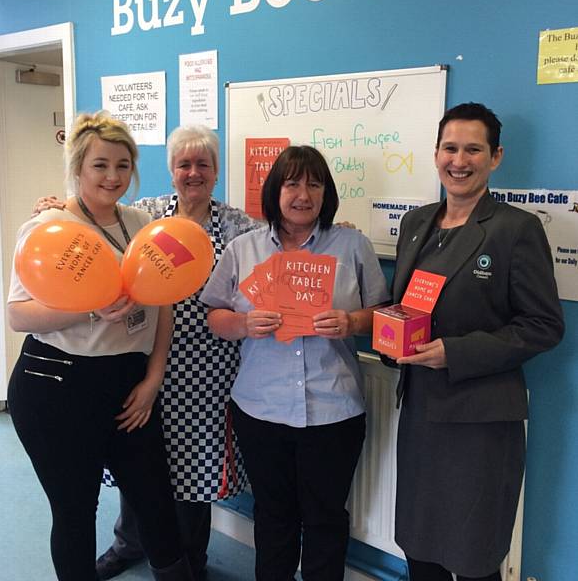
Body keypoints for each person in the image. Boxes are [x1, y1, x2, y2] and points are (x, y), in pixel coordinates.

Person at [35, 124, 259, 581]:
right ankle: (129, 543)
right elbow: (93, 222)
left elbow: (281, 239)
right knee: (136, 468)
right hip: (139, 363)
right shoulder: (148, 214)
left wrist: (335, 226)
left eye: (203, 164)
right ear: (171, 171)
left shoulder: (238, 226)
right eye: (184, 164)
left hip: (207, 369)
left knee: (195, 467)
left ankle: (190, 557)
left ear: (216, 172)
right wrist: (56, 207)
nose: (193, 173)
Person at [7, 112, 193, 580]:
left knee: (154, 499)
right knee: (75, 510)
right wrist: (92, 310)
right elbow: (17, 315)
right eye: (100, 165)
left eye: (123, 165)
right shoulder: (48, 227)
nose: (113, 177)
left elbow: (163, 303)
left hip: (128, 383)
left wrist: (153, 379)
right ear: (77, 168)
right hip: (55, 384)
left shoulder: (143, 221)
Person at [387, 103, 564, 581]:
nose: (458, 161)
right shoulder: (416, 224)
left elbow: (544, 325)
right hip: (422, 413)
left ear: (496, 157)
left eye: (473, 149)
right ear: (436, 153)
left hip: (480, 422)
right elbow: (406, 304)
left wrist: (455, 351)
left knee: (473, 555)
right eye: (450, 148)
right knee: (419, 549)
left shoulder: (515, 229)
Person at [200, 145, 390, 581]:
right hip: (260, 410)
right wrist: (245, 322)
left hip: (333, 409)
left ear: (327, 192)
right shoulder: (243, 248)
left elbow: (383, 314)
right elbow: (215, 316)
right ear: (275, 190)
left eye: (314, 183)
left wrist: (351, 321)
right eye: (292, 183)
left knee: (326, 518)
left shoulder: (352, 245)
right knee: (273, 515)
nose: (303, 194)